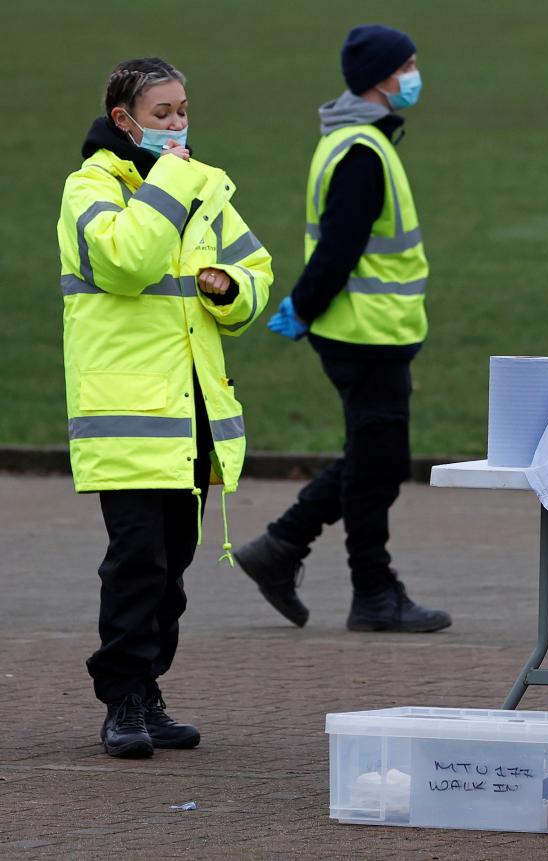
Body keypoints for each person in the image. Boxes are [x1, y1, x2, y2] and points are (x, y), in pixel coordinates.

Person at [58, 57, 272, 757]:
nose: (179, 124)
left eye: (183, 110)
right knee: (137, 560)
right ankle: (120, 698)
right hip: (126, 416)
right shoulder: (90, 189)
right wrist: (174, 179)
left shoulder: (206, 187)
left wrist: (228, 288)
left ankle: (148, 689)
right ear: (124, 121)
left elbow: (256, 270)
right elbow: (126, 261)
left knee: (172, 562)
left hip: (192, 415)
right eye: (162, 114)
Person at [234, 25, 450, 634]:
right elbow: (339, 247)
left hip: (371, 330)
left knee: (374, 456)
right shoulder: (361, 151)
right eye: (407, 65)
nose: (414, 74)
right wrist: (302, 306)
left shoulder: (358, 141)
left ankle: (280, 549)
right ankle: (372, 592)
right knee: (378, 462)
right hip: (361, 333)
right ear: (382, 78)